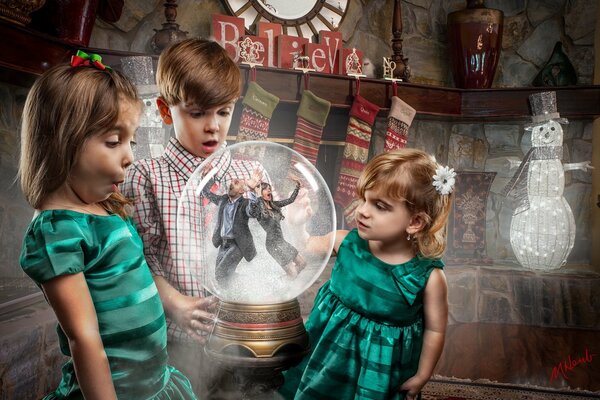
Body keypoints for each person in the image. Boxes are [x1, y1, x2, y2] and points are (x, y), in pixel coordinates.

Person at [18, 55, 197, 399]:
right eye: (114, 142)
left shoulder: (106, 206)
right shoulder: (58, 232)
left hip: (155, 382)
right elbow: (84, 339)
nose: (130, 156)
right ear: (63, 141)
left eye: (130, 141)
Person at [121, 38, 265, 397]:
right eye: (198, 113)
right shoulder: (145, 176)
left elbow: (265, 254)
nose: (213, 126)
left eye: (223, 111)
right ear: (166, 110)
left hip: (242, 335)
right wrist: (176, 304)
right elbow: (140, 261)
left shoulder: (252, 172)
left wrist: (291, 218)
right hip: (178, 336)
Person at [280, 148, 453, 400]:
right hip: (325, 353)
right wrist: (298, 224)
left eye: (379, 206)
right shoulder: (345, 242)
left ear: (415, 222)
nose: (362, 210)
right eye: (363, 199)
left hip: (378, 371)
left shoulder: (427, 277)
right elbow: (305, 247)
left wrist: (422, 375)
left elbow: (435, 330)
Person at [201, 170, 262, 284]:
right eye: (232, 181)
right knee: (222, 277)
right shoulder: (223, 200)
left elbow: (254, 212)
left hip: (238, 244)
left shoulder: (245, 203)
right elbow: (206, 193)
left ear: (242, 190)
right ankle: (245, 285)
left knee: (220, 273)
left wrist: (252, 190)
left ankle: (247, 284)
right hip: (223, 244)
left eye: (237, 182)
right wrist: (208, 177)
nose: (232, 182)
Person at [255, 179, 307, 277]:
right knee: (293, 273)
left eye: (269, 189)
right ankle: (285, 284)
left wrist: (297, 187)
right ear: (260, 193)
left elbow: (290, 200)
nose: (269, 191)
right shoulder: (258, 209)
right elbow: (258, 211)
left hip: (281, 242)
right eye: (265, 189)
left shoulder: (275, 205)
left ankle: (285, 280)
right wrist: (258, 197)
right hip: (273, 244)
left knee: (302, 263)